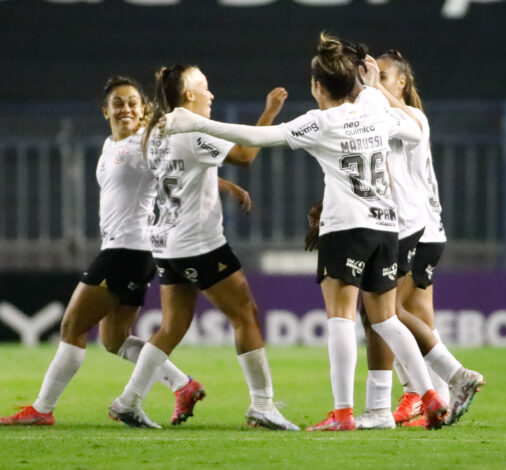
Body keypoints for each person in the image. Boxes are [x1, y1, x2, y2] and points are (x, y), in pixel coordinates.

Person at [164, 34, 451, 431]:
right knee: (386, 321)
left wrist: (192, 121)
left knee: (341, 319)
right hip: (387, 227)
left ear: (317, 86)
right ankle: (430, 395)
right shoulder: (373, 105)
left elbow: (255, 138)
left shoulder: (320, 122)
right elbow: (416, 133)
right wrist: (372, 89)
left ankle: (343, 414)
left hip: (346, 228)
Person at [0, 75, 249, 427]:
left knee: (72, 325)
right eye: (118, 102)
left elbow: (182, 169)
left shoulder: (144, 145)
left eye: (133, 102)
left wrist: (226, 186)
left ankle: (42, 409)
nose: (126, 108)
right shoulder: (109, 146)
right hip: (131, 252)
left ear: (143, 109)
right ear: (106, 110)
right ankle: (183, 384)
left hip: (127, 251)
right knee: (114, 339)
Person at [106, 65, 299, 431]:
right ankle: (263, 405)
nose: (211, 95)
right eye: (205, 87)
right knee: (246, 314)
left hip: (165, 243)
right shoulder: (193, 130)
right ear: (189, 95)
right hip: (198, 245)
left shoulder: (155, 130)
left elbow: (181, 172)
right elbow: (244, 155)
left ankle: (128, 401)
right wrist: (270, 111)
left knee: (173, 326)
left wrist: (225, 188)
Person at [349, 50, 484, 429]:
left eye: (383, 75)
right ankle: (434, 397)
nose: (371, 80)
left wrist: (368, 91)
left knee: (383, 313)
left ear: (402, 83)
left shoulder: (404, 117)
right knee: (416, 316)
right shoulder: (396, 115)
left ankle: (445, 382)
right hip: (426, 229)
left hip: (414, 228)